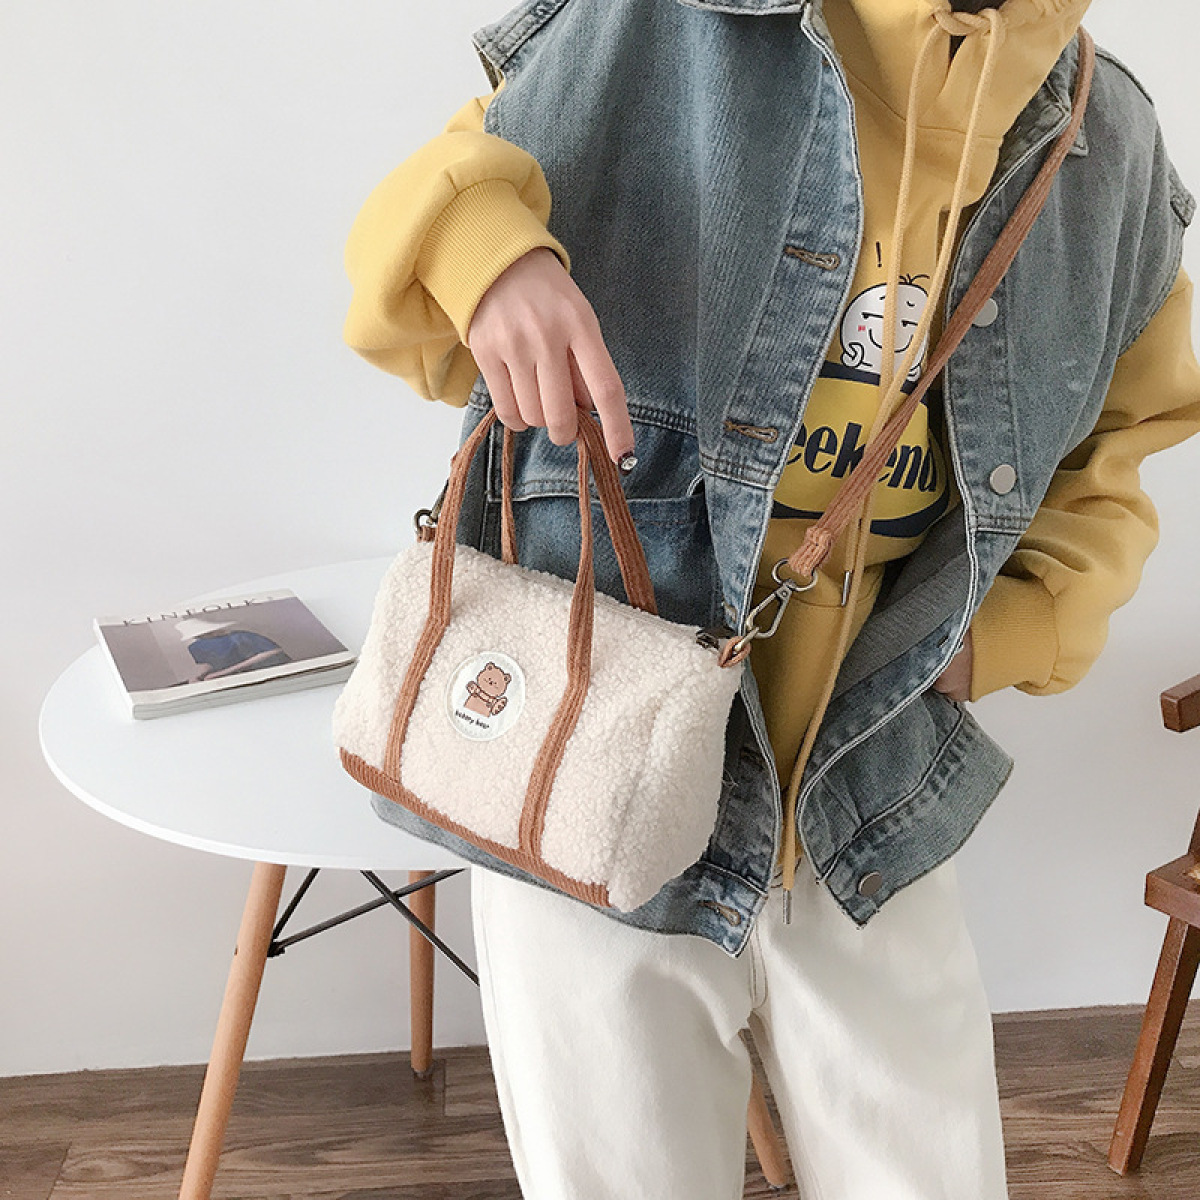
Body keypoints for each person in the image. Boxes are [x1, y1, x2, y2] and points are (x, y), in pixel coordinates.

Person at [341, 1, 1200, 1196]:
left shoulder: (1107, 146)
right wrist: (485, 255)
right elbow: (422, 227)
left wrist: (1012, 630)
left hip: (871, 776)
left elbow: (1120, 441)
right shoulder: (665, 26)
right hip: (592, 763)